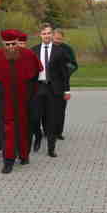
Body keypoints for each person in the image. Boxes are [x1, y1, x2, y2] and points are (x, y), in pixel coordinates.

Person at [0, 29, 42, 174]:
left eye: (14, 44)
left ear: (18, 42)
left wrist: (32, 95)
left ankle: (24, 155)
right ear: (2, 43)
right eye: (8, 44)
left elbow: (36, 75)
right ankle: (8, 160)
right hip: (4, 100)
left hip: (25, 99)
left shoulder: (29, 55)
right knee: (7, 130)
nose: (11, 47)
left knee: (24, 127)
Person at [30, 23, 72, 158]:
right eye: (44, 33)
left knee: (51, 119)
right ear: (40, 35)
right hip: (38, 87)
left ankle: (51, 148)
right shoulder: (33, 50)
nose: (46, 36)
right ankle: (37, 137)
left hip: (54, 89)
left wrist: (67, 90)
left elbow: (64, 72)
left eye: (48, 33)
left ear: (52, 35)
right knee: (35, 117)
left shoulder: (60, 51)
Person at [52, 29, 78, 140]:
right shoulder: (47, 48)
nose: (58, 41)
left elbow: (74, 65)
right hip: (49, 83)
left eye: (60, 39)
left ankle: (58, 132)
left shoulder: (68, 49)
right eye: (56, 38)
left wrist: (65, 72)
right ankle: (48, 131)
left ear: (63, 38)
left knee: (61, 109)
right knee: (48, 109)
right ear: (52, 37)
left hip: (63, 83)